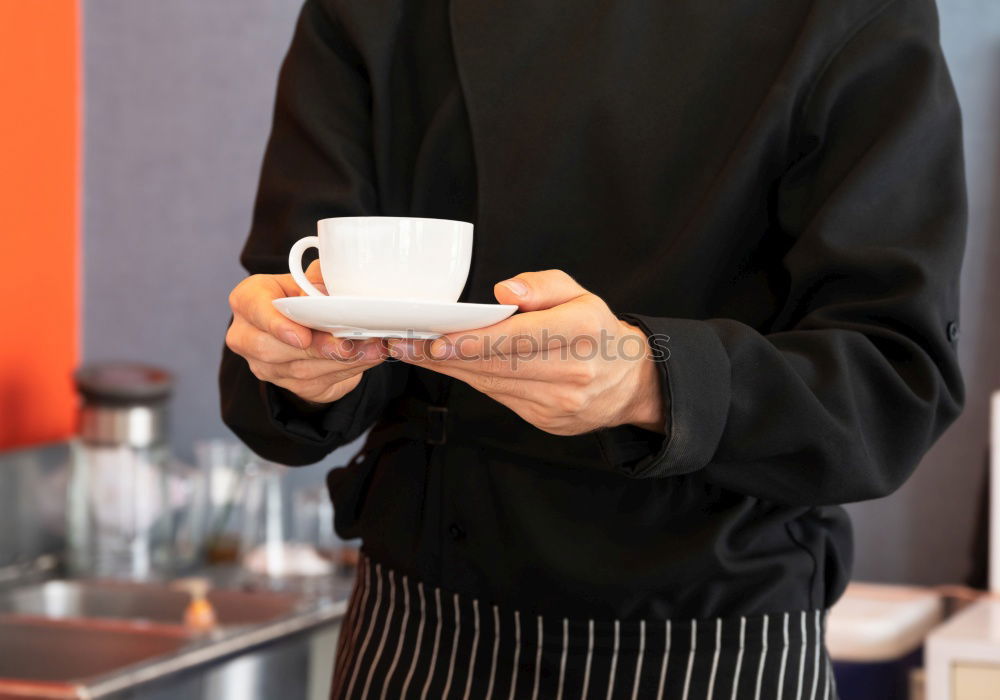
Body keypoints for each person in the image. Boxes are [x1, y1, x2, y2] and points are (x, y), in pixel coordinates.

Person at [219, 0, 966, 696]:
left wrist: (648, 381)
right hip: (422, 623)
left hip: (716, 637)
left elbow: (892, 382)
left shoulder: (848, 13)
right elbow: (292, 302)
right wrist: (295, 361)